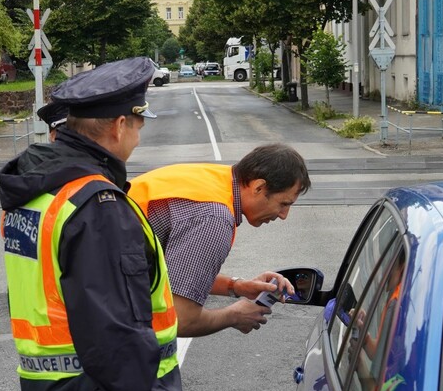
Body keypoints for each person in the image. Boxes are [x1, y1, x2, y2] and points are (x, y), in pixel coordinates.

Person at [0, 57, 197, 391]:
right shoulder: (98, 206)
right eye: (140, 122)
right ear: (119, 125)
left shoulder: (39, 193)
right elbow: (114, 336)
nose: (140, 134)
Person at [128, 144, 311, 337]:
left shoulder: (214, 178)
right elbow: (181, 319)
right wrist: (234, 316)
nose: (284, 215)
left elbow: (177, 273)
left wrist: (237, 286)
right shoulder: (214, 218)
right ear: (258, 187)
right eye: (283, 204)